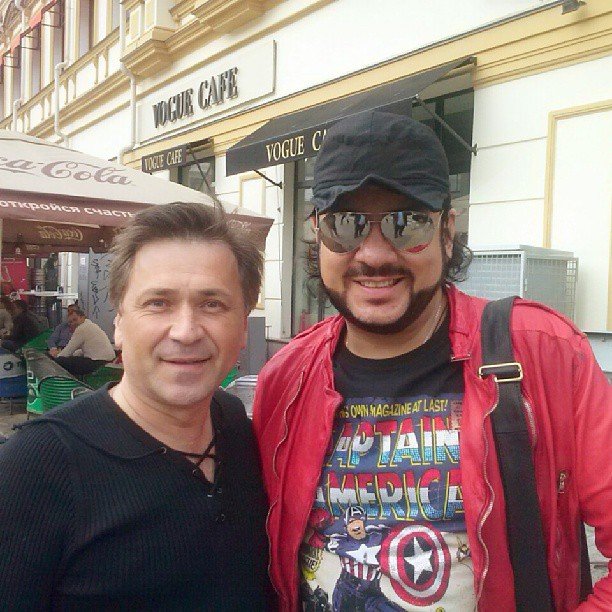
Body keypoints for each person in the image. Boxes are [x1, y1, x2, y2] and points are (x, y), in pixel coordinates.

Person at [252, 111, 612, 611]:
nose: (374, 254)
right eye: (346, 224)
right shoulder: (285, 378)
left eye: (406, 223)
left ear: (447, 231)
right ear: (318, 234)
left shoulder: (542, 350)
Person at [0, 202, 274, 609]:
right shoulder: (38, 465)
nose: (185, 332)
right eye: (158, 303)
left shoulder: (237, 426)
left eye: (212, 304)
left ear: (244, 326)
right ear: (119, 323)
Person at [49, 307, 115, 375]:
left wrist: (55, 358)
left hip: (97, 362)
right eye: (70, 322)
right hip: (107, 359)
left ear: (82, 317)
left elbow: (68, 351)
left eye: (75, 319)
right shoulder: (90, 325)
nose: (73, 323)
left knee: (60, 361)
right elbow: (82, 350)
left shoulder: (82, 329)